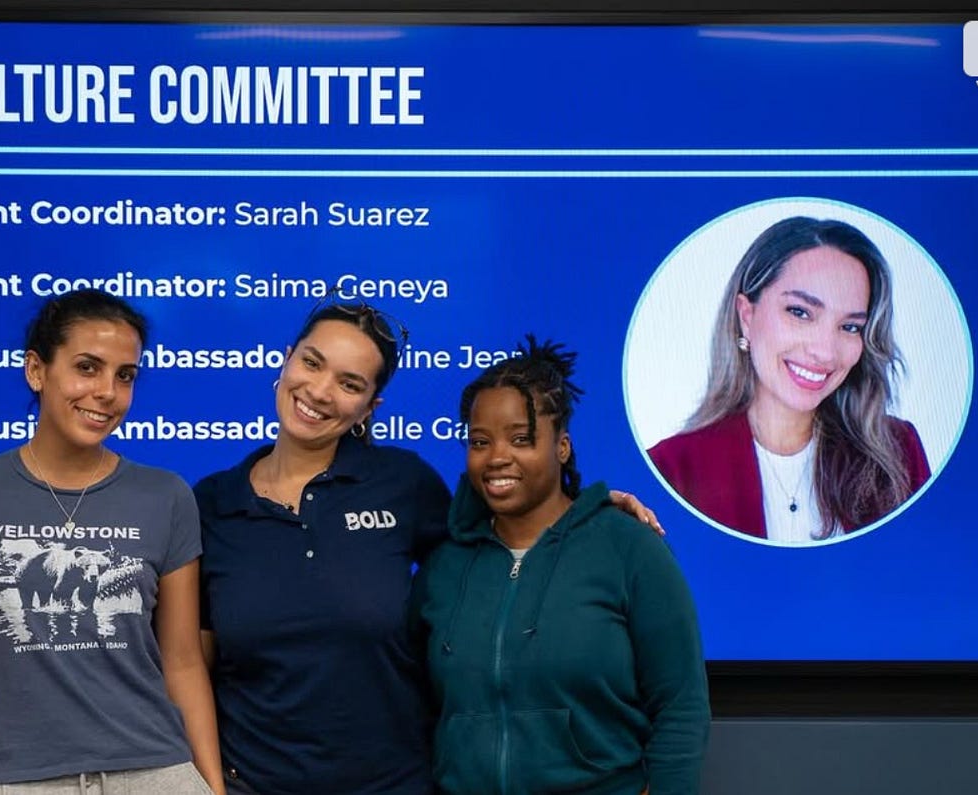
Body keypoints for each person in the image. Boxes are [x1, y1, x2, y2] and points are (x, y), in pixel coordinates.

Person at [194, 301, 662, 795]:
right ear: (287, 359)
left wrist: (583, 510)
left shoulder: (403, 484)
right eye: (312, 363)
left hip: (394, 785)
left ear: (369, 407)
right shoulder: (212, 504)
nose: (320, 391)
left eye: (350, 384)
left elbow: (506, 535)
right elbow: (190, 667)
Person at [0, 289, 224, 794]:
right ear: (36, 370)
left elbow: (183, 660)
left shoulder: (166, 495)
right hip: (24, 778)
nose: (107, 392)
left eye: (125, 376)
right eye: (87, 368)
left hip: (157, 770)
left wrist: (211, 785)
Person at [412, 336, 710, 795]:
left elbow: (681, 706)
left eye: (521, 439)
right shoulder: (444, 566)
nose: (497, 457)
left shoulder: (628, 547)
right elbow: (416, 705)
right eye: (480, 442)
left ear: (562, 446)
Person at [647, 216, 930, 544]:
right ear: (747, 316)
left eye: (850, 327)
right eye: (800, 312)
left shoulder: (899, 453)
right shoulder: (672, 469)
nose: (825, 352)